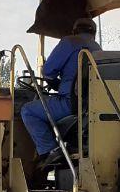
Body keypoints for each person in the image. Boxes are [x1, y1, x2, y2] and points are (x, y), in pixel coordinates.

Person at [20, 17, 100, 167]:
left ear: (74, 31)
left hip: (70, 103)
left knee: (28, 111)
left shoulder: (69, 42)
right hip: (91, 105)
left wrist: (57, 83)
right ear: (94, 33)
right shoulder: (97, 48)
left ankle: (50, 150)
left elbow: (48, 71)